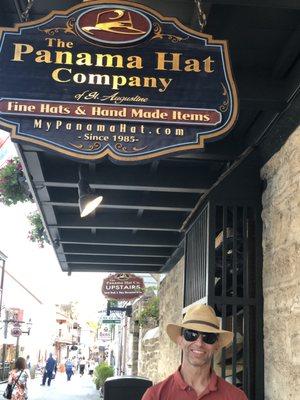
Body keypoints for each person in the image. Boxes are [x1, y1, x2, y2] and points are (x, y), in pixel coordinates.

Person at [142, 304, 248, 400]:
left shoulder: (236, 397)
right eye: (191, 334)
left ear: (217, 345)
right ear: (180, 341)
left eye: (208, 337)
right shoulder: (155, 396)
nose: (199, 343)